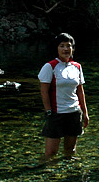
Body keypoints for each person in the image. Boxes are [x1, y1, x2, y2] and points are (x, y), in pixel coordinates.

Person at [38, 32, 89, 160]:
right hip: (56, 113)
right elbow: (44, 92)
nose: (66, 49)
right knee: (51, 153)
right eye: (62, 46)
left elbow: (80, 91)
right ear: (56, 48)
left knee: (70, 151)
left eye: (69, 46)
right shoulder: (50, 67)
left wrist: (85, 113)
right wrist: (48, 111)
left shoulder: (77, 67)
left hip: (74, 112)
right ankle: (47, 173)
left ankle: (68, 175)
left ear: (73, 48)